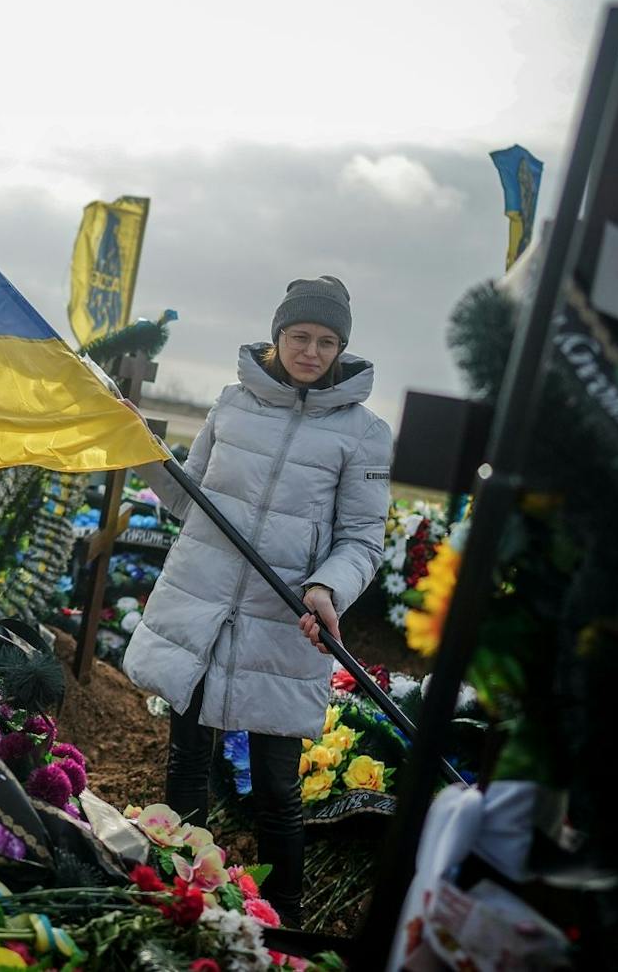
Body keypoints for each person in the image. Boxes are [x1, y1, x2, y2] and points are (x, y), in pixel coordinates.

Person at [123, 276, 392, 924]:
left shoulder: (363, 433)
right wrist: (142, 452)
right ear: (278, 335)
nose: (311, 350)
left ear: (342, 348)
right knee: (189, 758)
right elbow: (193, 500)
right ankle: (179, 892)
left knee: (277, 784)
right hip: (204, 611)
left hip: (286, 622)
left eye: (327, 341)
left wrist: (327, 587)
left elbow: (361, 539)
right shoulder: (233, 404)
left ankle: (285, 923)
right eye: (300, 335)